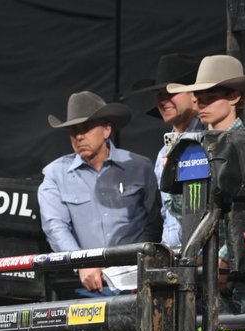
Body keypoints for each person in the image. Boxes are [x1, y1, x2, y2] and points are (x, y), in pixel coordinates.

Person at [168, 55, 245, 331]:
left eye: (211, 95)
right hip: (211, 275)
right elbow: (184, 209)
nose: (201, 103)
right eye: (199, 96)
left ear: (235, 97)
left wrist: (225, 258)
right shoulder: (193, 146)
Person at [38, 91, 161, 296]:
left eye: (86, 128)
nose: (79, 136)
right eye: (73, 130)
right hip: (85, 287)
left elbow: (154, 223)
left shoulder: (140, 167)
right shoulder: (55, 174)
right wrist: (81, 263)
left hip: (136, 283)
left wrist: (139, 268)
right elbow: (55, 226)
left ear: (106, 130)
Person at [129, 54, 203, 249]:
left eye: (171, 92)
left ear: (194, 95)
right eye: (160, 94)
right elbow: (159, 216)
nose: (163, 100)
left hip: (202, 256)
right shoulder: (163, 150)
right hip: (172, 257)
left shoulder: (206, 141)